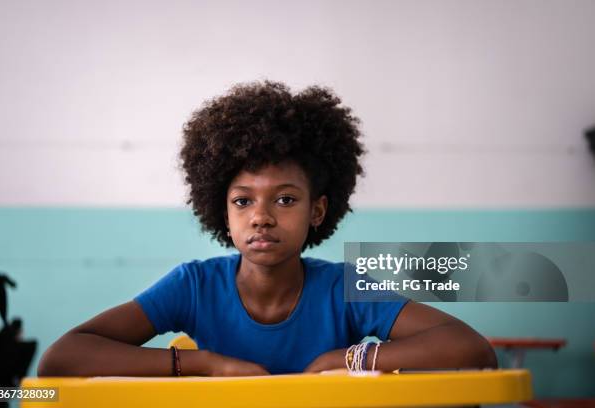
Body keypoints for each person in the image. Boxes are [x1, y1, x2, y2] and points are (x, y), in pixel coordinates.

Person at [38, 81, 497, 377]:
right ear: (223, 212)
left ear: (317, 211)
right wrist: (208, 364)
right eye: (243, 201)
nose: (261, 216)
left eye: (285, 199)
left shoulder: (342, 287)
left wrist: (346, 358)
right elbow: (60, 360)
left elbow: (470, 348)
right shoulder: (194, 286)